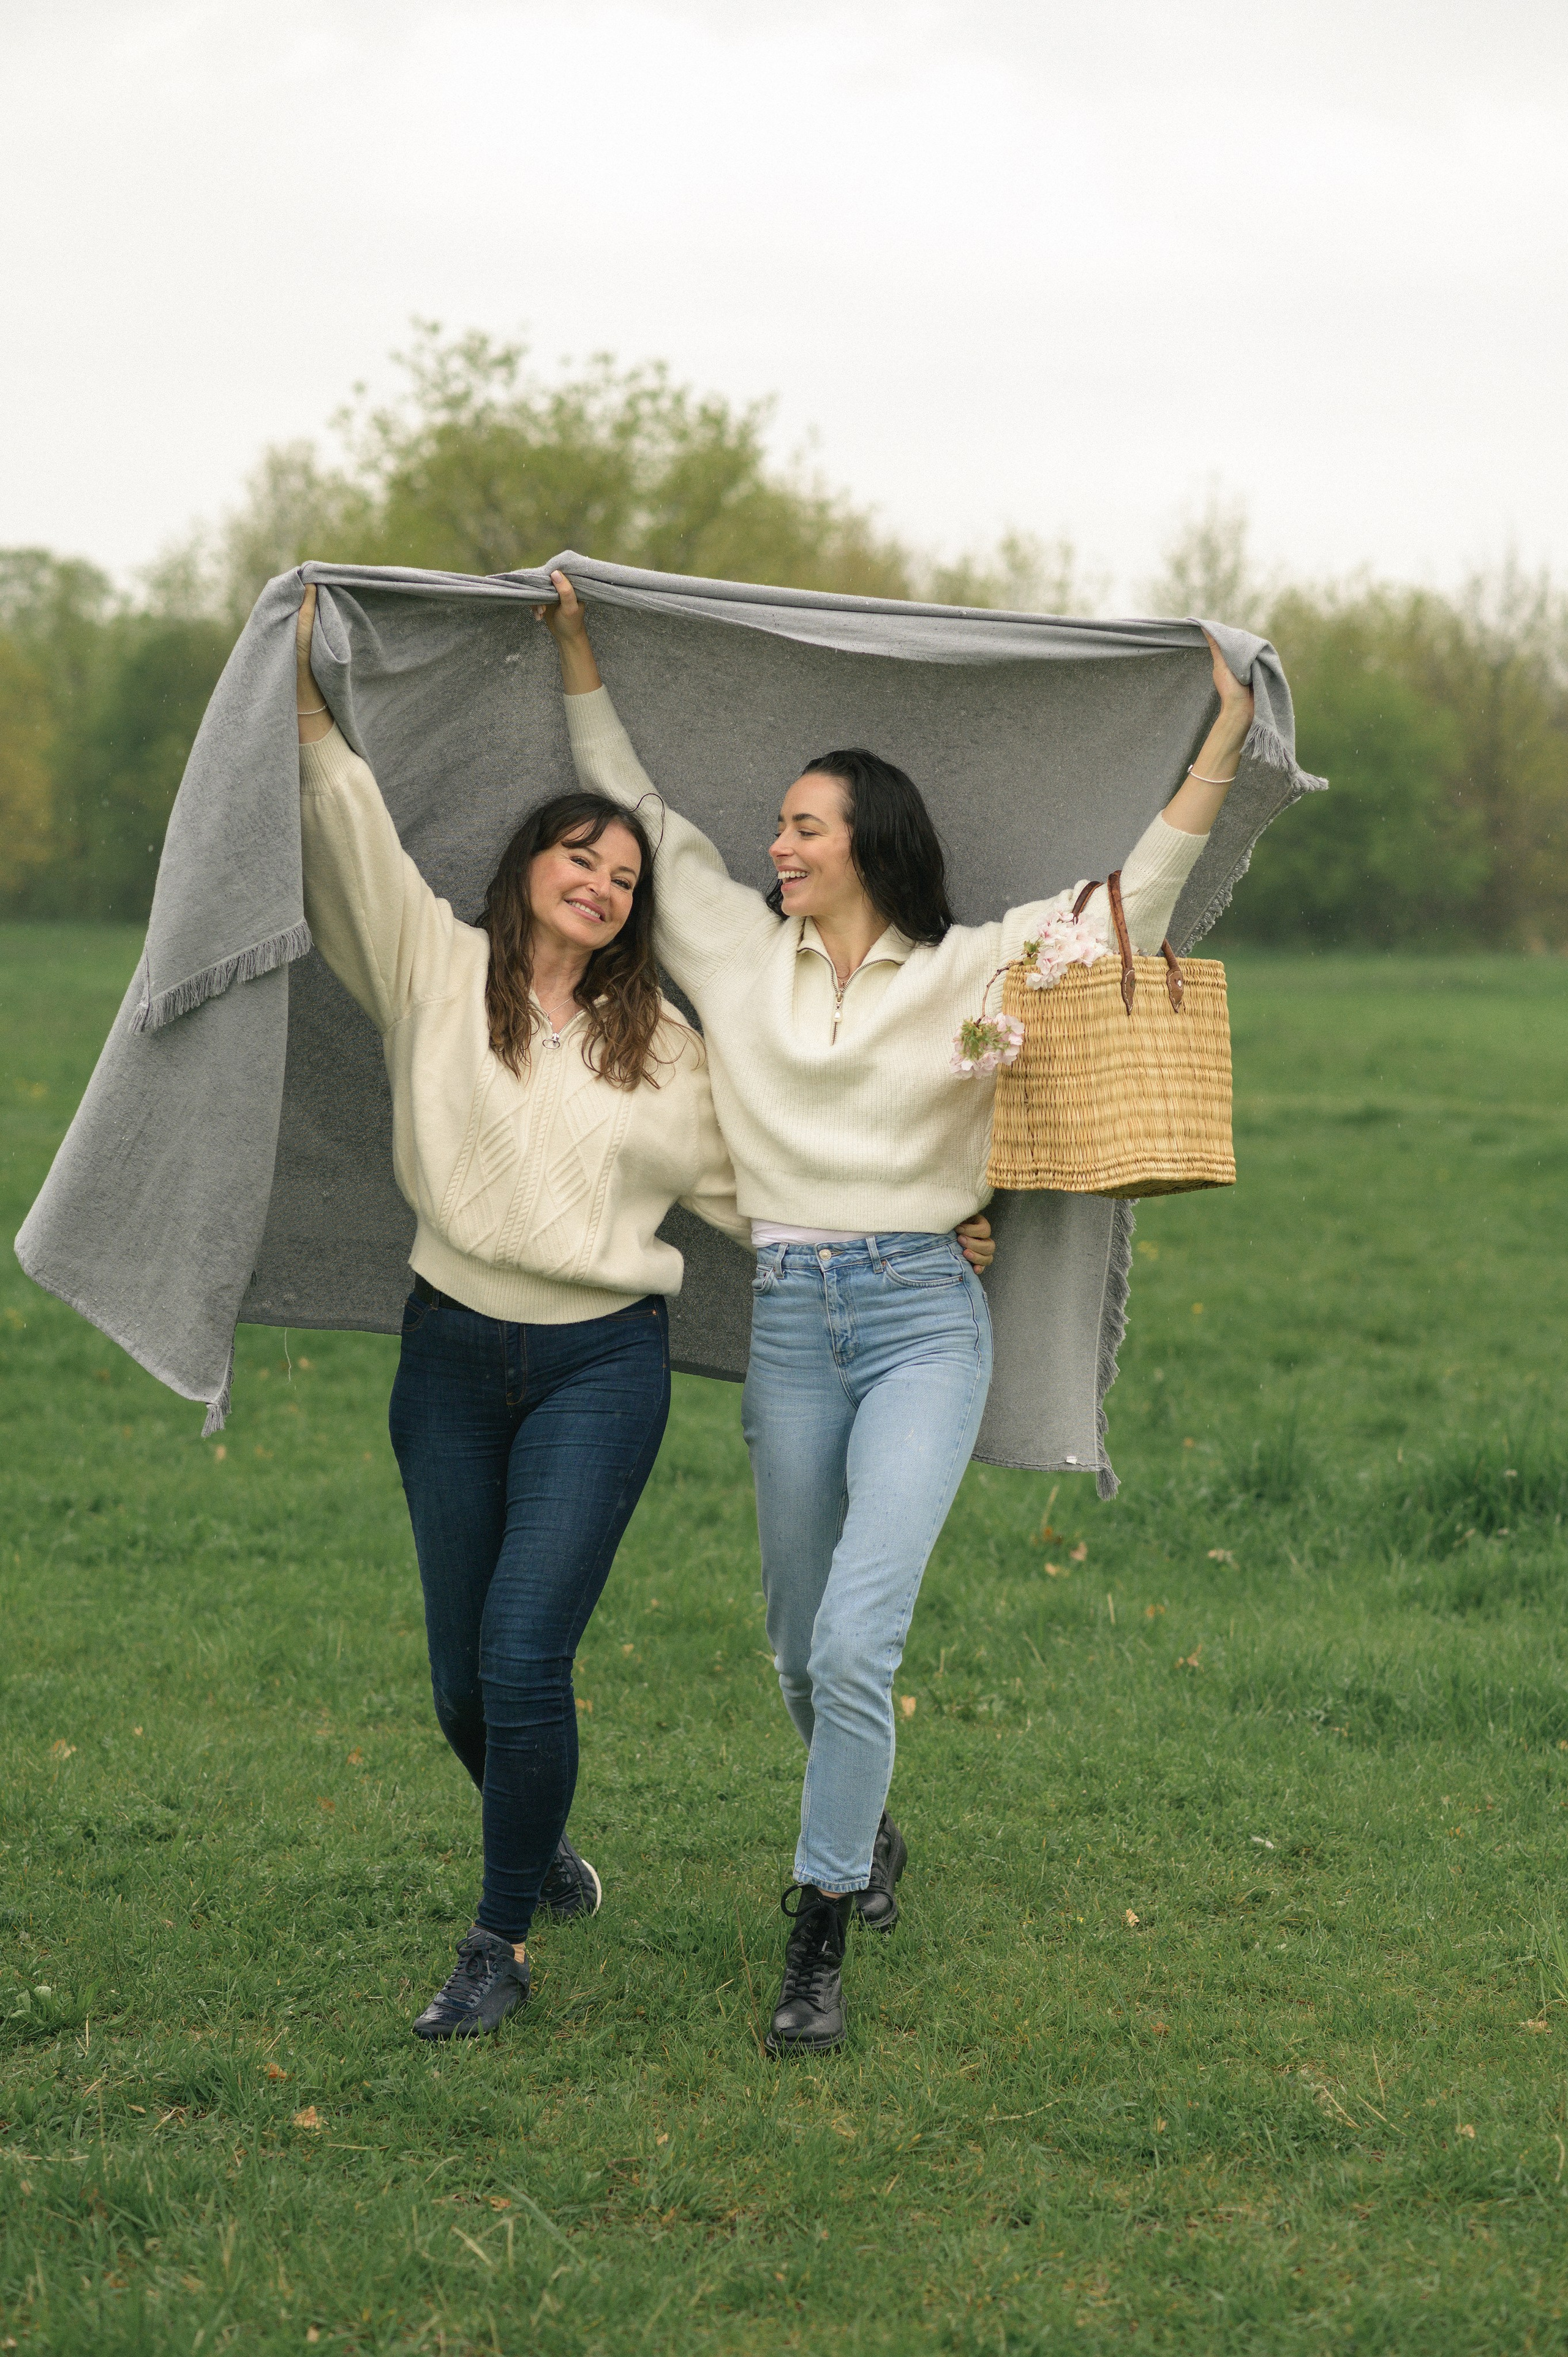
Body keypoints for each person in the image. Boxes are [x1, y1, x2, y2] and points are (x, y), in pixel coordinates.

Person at [537, 570, 1253, 2054]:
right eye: (779, 827)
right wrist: (576, 653)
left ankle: (813, 1938)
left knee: (859, 1644)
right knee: (799, 1651)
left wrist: (1216, 744)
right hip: (794, 1322)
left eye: (801, 824)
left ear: (868, 838)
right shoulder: (736, 949)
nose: (775, 842)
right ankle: (870, 1830)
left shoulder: (977, 970)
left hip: (929, 1316)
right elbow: (642, 812)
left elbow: (1135, 904)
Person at [292, 583, 752, 2042]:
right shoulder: (433, 967)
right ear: (528, 865)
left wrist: (939, 1220)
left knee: (520, 1658)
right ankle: (534, 1843)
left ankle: (495, 1941)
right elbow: (349, 820)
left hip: (600, 1367)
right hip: (446, 1354)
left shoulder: (666, 1045)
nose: (603, 882)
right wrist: (297, 679)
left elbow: (769, 1181)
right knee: (454, 1683)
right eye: (580, 855)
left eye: (624, 874)